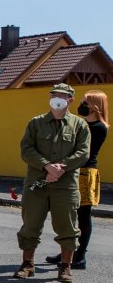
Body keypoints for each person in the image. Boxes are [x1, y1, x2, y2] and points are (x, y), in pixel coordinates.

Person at [13, 84, 91, 282]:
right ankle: (27, 265)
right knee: (30, 224)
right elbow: (27, 150)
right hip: (37, 183)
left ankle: (65, 267)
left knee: (68, 226)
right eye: (54, 95)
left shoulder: (79, 125)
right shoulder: (36, 123)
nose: (57, 98)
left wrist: (60, 169)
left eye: (62, 96)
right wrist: (47, 166)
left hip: (65, 186)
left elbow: (83, 152)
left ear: (70, 100)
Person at [46, 90, 107, 269]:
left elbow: (82, 152)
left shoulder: (98, 127)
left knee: (83, 215)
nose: (82, 105)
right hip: (74, 170)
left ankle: (80, 256)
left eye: (85, 103)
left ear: (95, 106)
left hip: (85, 172)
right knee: (69, 215)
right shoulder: (84, 124)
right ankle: (68, 250)